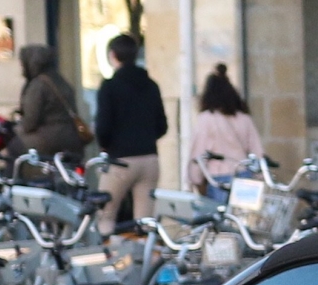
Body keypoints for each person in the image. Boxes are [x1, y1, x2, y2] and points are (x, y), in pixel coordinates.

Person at [93, 33, 167, 230]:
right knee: (145, 220)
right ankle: (144, 257)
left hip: (120, 160)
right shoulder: (152, 86)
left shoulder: (110, 87)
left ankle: (108, 256)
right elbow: (162, 126)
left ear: (113, 55)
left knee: (105, 214)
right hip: (150, 158)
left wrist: (106, 145)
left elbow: (103, 126)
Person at [184, 66, 264, 200]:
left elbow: (198, 153)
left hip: (218, 178)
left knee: (220, 218)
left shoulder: (206, 119)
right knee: (242, 219)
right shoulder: (244, 118)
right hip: (244, 175)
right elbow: (257, 151)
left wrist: (194, 179)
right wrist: (260, 177)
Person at [11, 43, 90, 161]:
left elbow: (30, 122)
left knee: (14, 147)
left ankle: (13, 179)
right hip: (72, 137)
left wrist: (15, 129)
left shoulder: (38, 85)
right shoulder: (59, 80)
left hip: (51, 139)